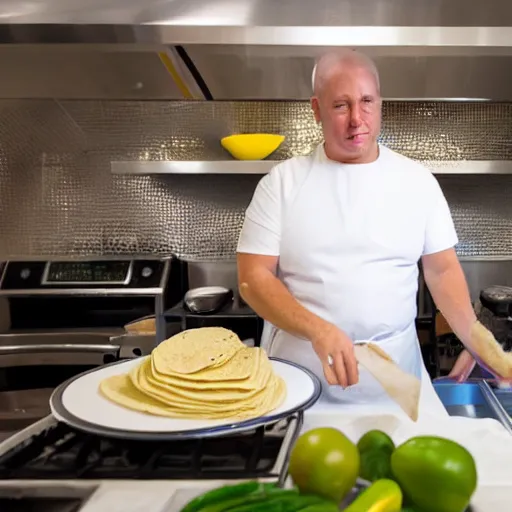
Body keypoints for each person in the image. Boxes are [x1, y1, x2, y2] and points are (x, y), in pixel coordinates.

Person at [236, 49, 506, 416]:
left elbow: (441, 270)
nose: (357, 120)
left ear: (380, 103)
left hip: (396, 379)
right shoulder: (281, 185)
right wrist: (319, 330)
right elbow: (253, 278)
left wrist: (477, 340)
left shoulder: (417, 182)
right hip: (303, 380)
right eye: (341, 106)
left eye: (366, 102)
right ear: (316, 109)